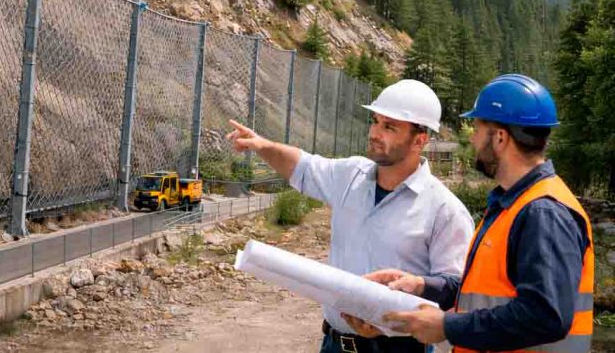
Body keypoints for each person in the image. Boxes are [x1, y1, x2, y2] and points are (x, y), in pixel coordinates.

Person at [227, 79, 474, 353]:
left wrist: (395, 317)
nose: (375, 133)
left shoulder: (445, 210)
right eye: (376, 121)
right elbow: (303, 167)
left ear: (419, 140)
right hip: (334, 344)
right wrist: (261, 145)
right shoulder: (349, 176)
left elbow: (454, 287)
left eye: (389, 127)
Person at [380, 74, 593, 352]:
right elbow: (486, 293)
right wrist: (423, 285)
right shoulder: (513, 204)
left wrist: (447, 326)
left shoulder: (543, 212)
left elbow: (546, 315)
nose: (473, 138)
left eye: (477, 128)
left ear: (501, 138)